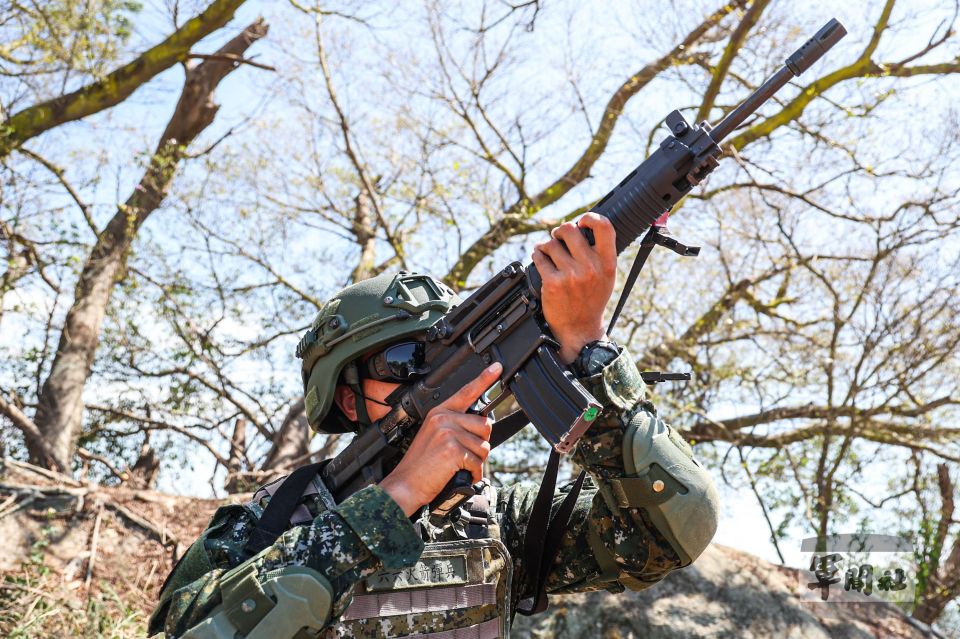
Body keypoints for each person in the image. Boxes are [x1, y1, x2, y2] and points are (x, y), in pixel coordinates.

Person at [148, 214, 719, 638]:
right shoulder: (267, 526)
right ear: (348, 401)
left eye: (438, 355)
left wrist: (588, 353)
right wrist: (393, 499)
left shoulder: (495, 526)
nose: (429, 375)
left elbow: (678, 528)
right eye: (401, 363)